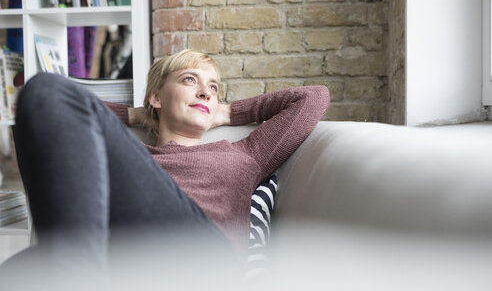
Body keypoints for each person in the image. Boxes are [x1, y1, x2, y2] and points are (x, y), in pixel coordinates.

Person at [1, 49, 330, 287]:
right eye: (190, 79)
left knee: (48, 88)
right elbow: (62, 114)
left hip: (203, 260)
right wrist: (138, 114)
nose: (205, 91)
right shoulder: (133, 157)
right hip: (126, 260)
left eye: (213, 88)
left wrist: (228, 112)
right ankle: (75, 272)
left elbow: (313, 98)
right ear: (157, 96)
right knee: (18, 273)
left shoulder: (244, 155)